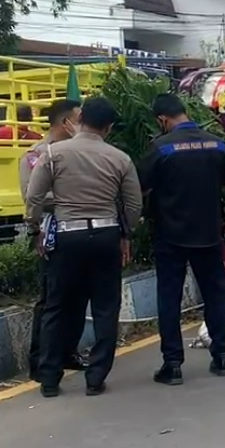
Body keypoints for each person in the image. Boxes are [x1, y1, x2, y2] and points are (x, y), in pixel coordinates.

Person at [25, 97, 142, 398]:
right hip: (105, 236)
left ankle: (49, 377)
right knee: (105, 308)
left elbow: (34, 197)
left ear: (80, 120)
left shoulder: (53, 154)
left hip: (67, 238)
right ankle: (95, 377)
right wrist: (126, 234)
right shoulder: (120, 159)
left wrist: (35, 229)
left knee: (57, 306)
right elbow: (133, 205)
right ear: (109, 127)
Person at [140, 94, 225, 384]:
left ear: (162, 120)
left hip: (171, 236)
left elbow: (142, 190)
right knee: (215, 295)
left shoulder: (159, 147)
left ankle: (173, 364)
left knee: (169, 298)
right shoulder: (217, 144)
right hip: (208, 233)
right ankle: (221, 357)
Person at [19, 99, 86, 381]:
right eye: (79, 119)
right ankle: (41, 362)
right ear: (65, 122)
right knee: (51, 300)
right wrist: (73, 198)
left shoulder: (79, 152)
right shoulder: (36, 155)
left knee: (79, 296)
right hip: (52, 231)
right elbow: (33, 196)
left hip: (79, 231)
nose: (83, 125)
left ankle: (68, 350)